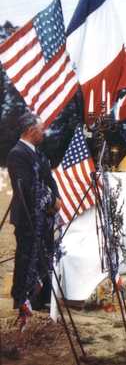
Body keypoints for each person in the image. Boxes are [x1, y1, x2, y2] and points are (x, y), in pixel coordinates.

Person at [7, 111, 61, 317]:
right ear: (30, 130)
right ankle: (22, 300)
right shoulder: (17, 154)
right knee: (26, 257)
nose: (44, 133)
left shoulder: (39, 154)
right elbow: (29, 188)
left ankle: (39, 299)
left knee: (45, 256)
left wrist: (57, 198)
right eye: (41, 129)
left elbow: (50, 179)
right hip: (28, 217)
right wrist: (52, 201)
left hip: (44, 216)